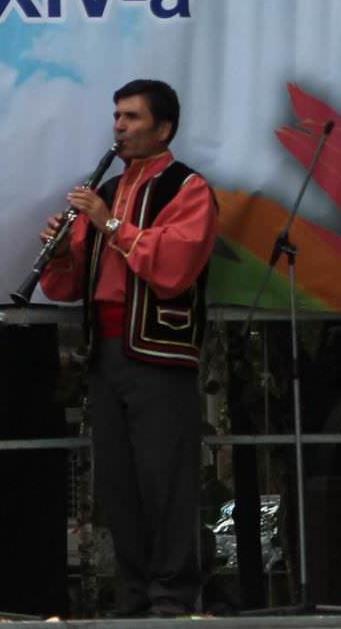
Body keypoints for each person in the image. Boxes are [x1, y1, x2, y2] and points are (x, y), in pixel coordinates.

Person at [38, 79, 218, 618]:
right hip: (106, 351)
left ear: (164, 128)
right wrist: (60, 252)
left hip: (159, 352)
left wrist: (108, 222)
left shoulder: (188, 188)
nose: (119, 126)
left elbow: (174, 266)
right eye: (117, 116)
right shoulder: (111, 188)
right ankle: (135, 596)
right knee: (118, 483)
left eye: (132, 117)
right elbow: (71, 285)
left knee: (166, 479)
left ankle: (172, 597)